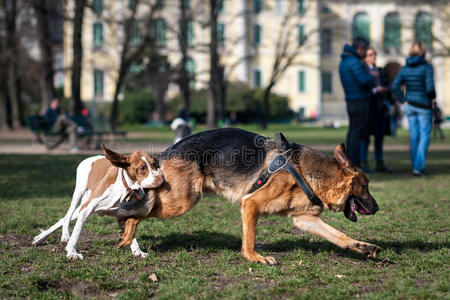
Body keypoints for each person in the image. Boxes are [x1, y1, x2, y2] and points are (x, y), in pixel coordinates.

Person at [392, 42, 436, 176]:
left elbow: (395, 86)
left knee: (414, 137)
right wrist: (432, 97)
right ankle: (419, 167)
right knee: (424, 136)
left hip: (409, 105)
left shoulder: (405, 68)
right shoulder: (427, 67)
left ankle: (415, 166)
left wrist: (403, 100)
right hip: (423, 106)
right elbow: (430, 89)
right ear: (423, 52)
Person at [339, 37, 378, 168]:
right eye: (365, 50)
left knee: (352, 132)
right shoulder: (354, 62)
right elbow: (362, 80)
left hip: (350, 101)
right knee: (358, 134)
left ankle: (349, 160)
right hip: (360, 101)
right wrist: (372, 75)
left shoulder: (343, 62)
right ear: (360, 49)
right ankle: (355, 162)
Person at [360, 47, 391, 173]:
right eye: (370, 54)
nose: (373, 57)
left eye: (374, 54)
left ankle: (379, 162)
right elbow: (362, 87)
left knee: (379, 137)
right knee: (365, 137)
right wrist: (374, 90)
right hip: (368, 108)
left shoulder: (382, 71)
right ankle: (364, 162)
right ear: (365, 57)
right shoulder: (363, 71)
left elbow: (388, 85)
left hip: (380, 108)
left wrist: (384, 90)